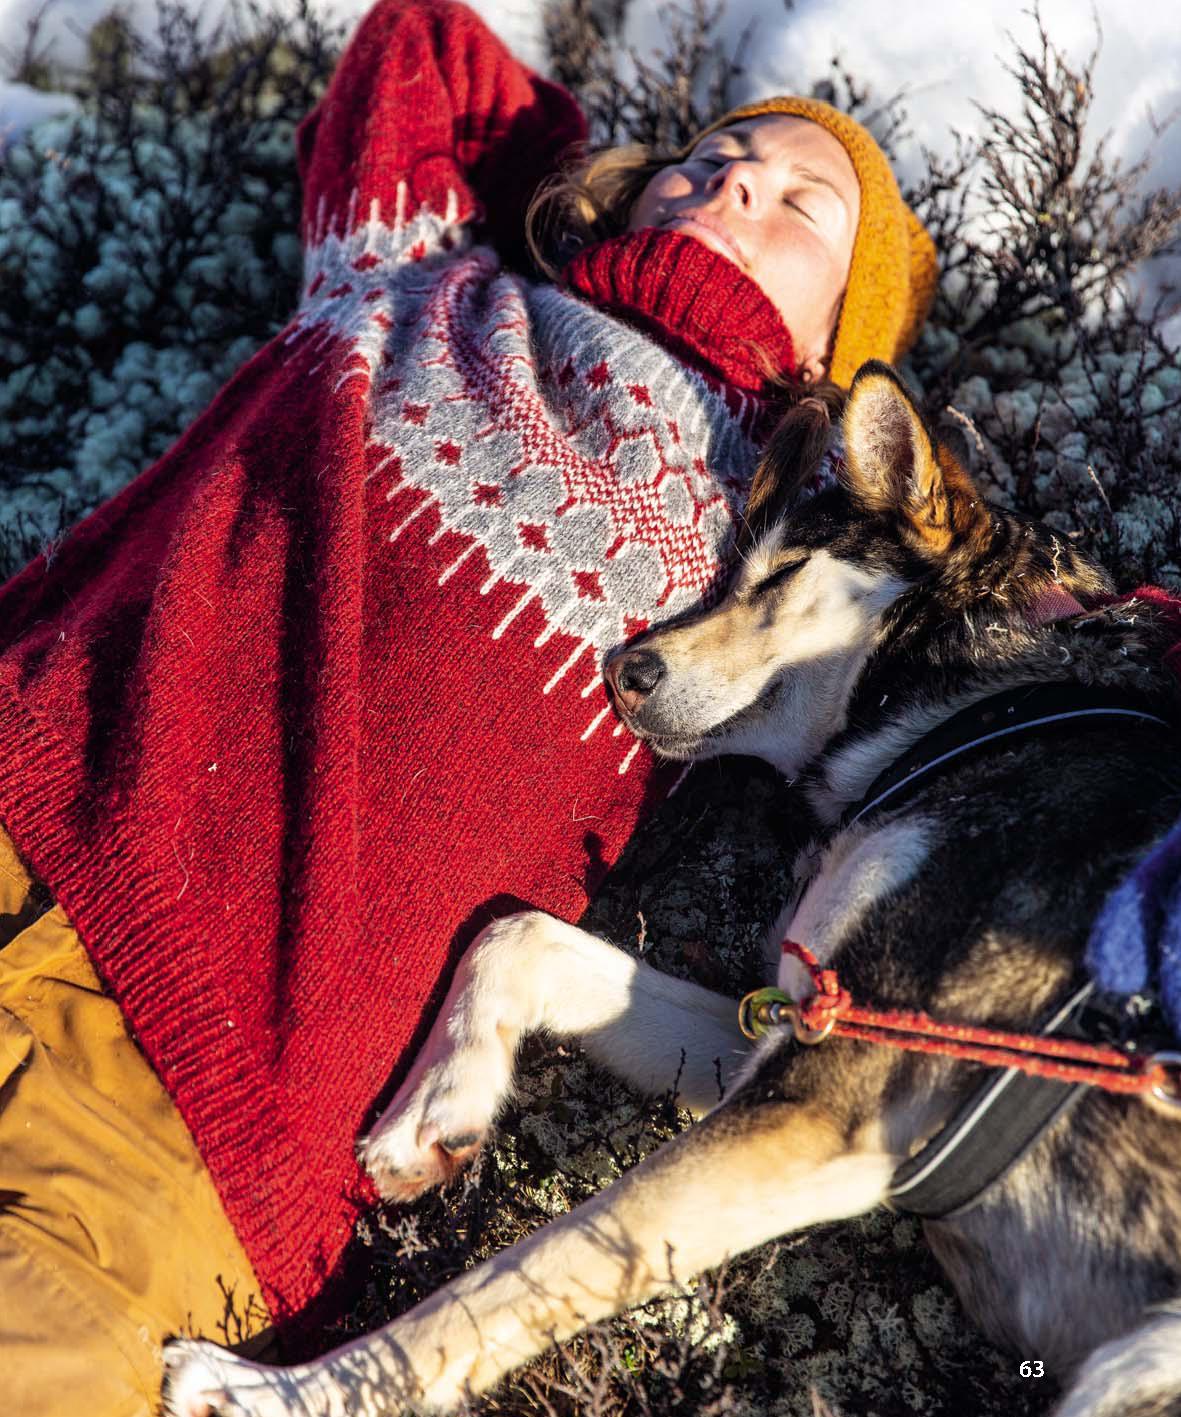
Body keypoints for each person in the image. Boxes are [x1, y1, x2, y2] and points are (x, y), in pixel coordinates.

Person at [0, 0, 936, 1411]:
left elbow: (1014, 649)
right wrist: (581, 200)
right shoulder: (416, 274)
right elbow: (423, 46)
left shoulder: (777, 549)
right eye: (713, 153)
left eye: (803, 203)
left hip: (194, 1088)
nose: (737, 180)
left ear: (839, 340)